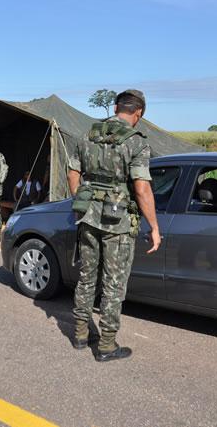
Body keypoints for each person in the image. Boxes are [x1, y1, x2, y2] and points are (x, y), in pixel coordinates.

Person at [67, 89, 160, 362]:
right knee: (114, 283)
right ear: (139, 113)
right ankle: (107, 345)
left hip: (87, 217)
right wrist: (154, 226)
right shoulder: (137, 143)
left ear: (117, 106)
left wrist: (81, 202)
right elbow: (142, 188)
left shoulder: (88, 134)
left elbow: (73, 173)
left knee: (86, 278)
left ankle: (81, 334)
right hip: (117, 224)